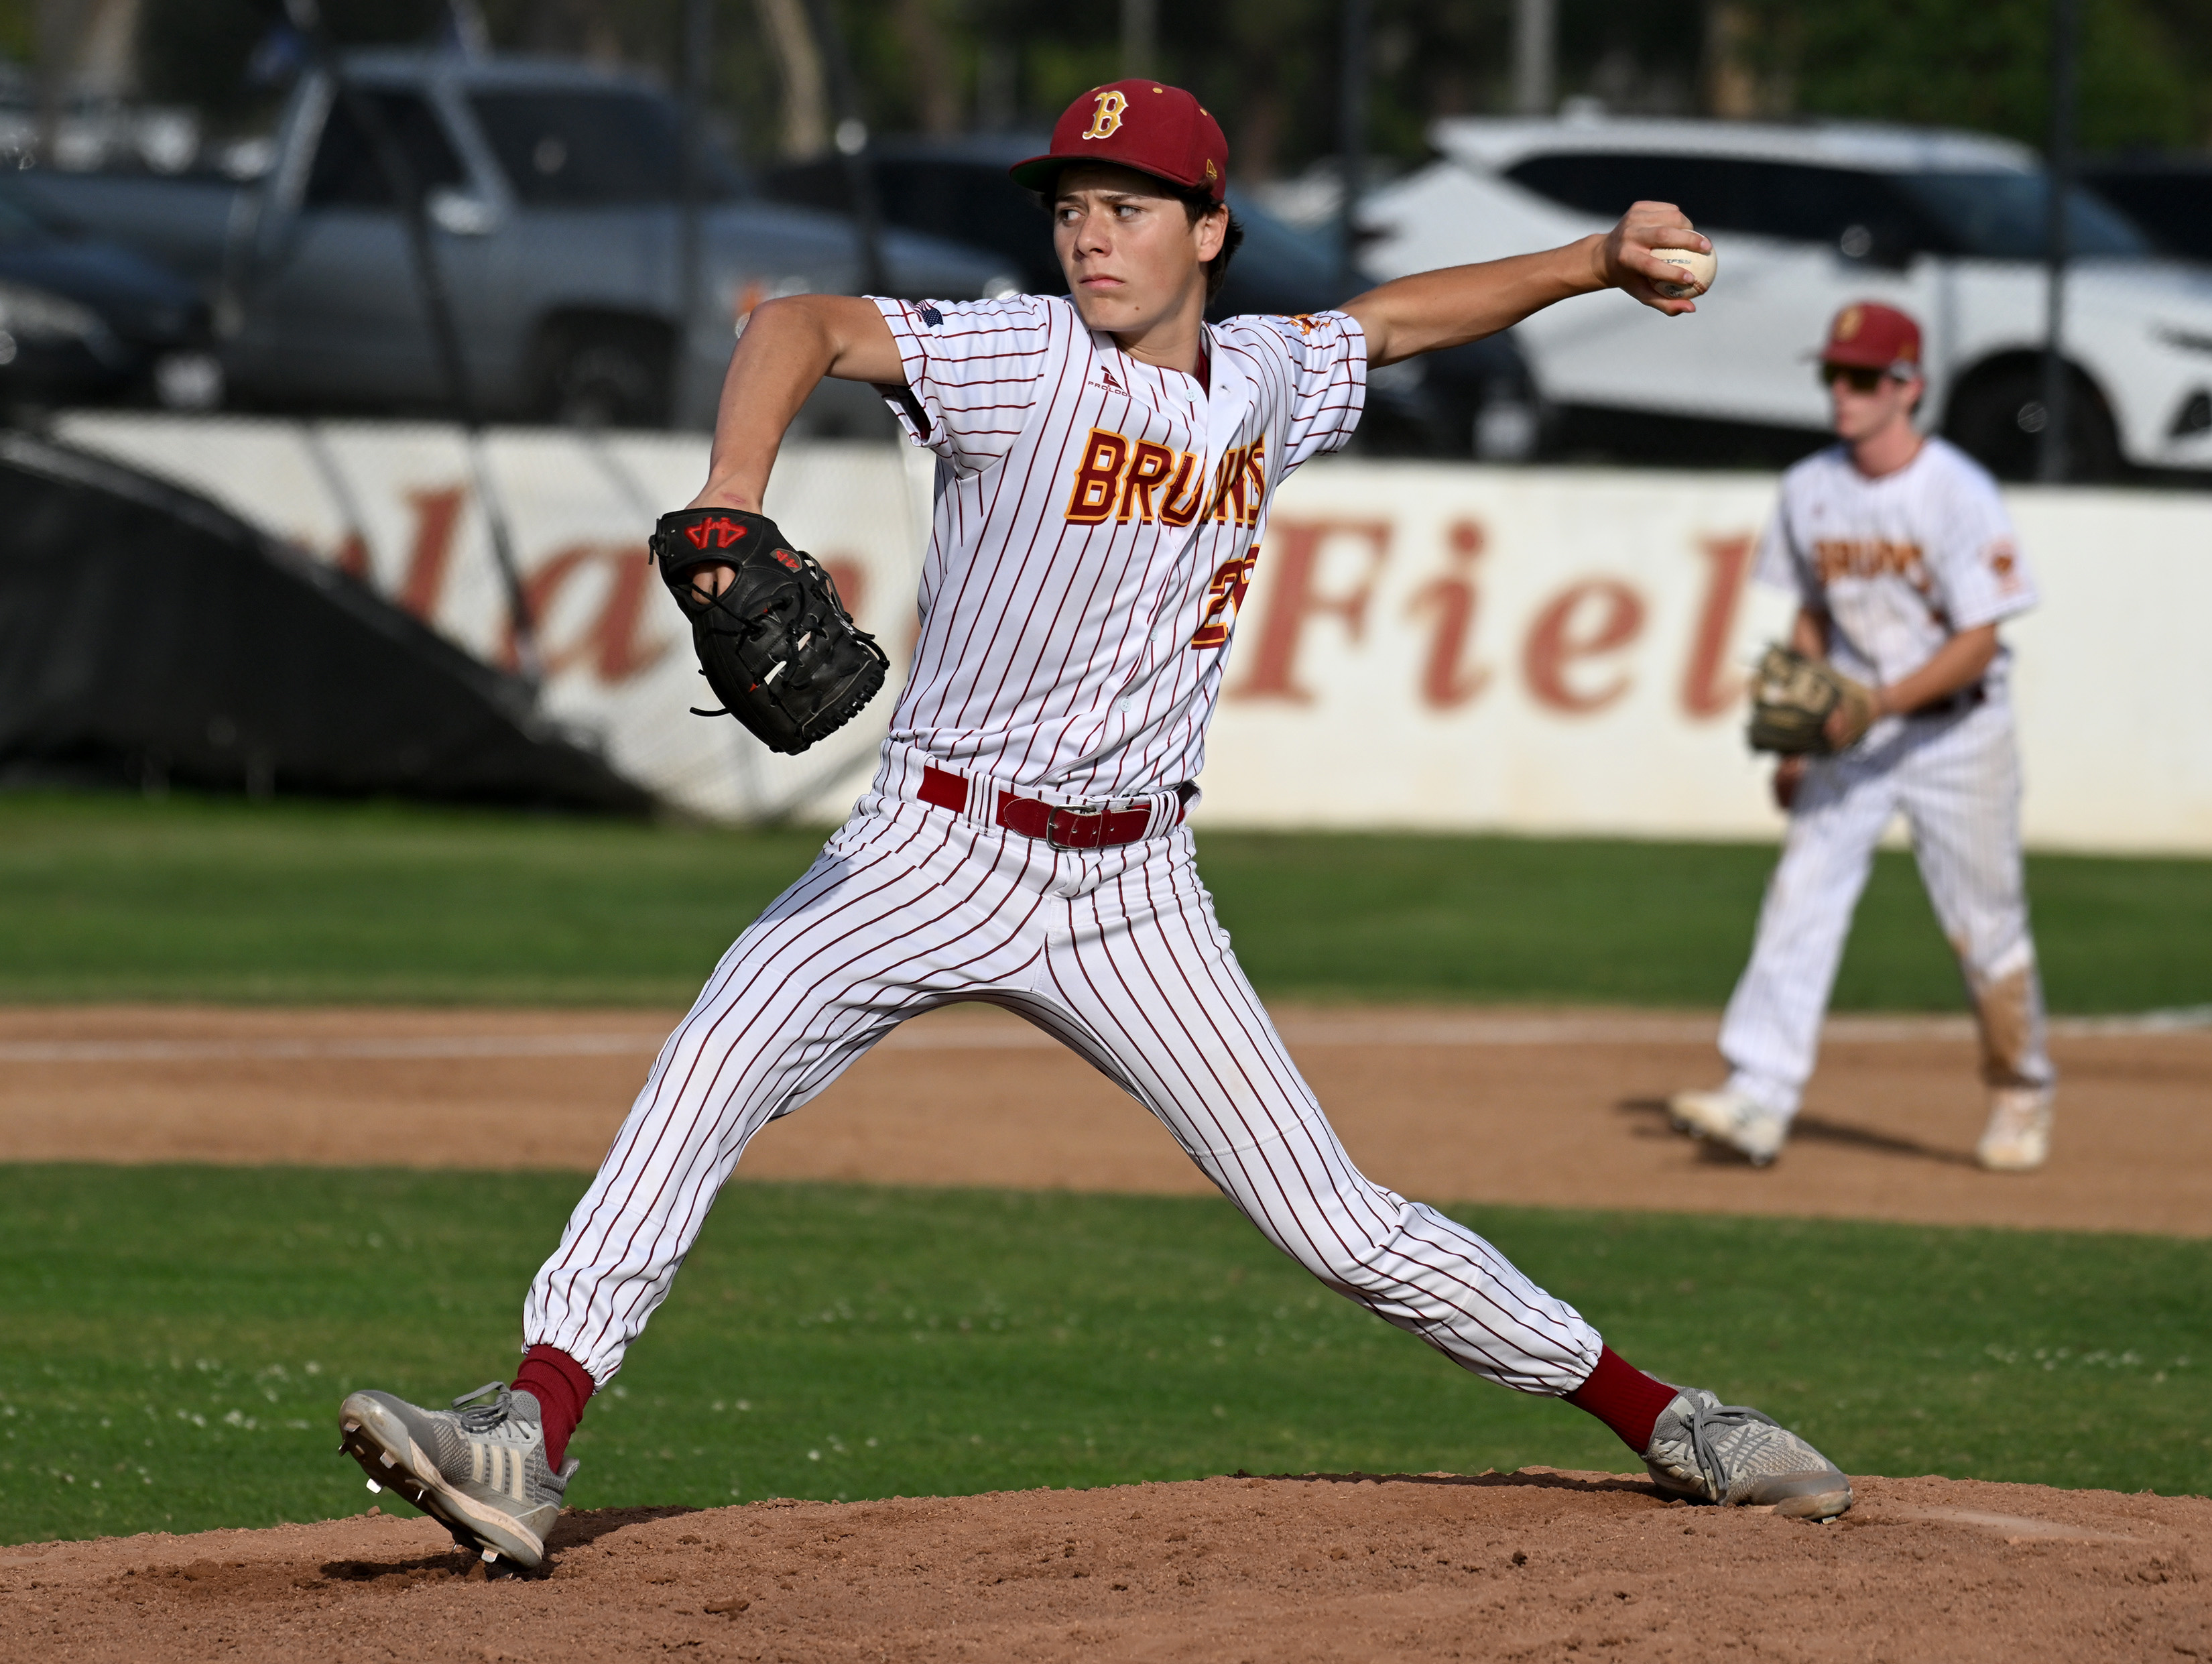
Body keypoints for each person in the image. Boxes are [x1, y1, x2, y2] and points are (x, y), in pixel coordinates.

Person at [333, 81, 1853, 1569]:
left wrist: (1589, 261)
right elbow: (798, 324)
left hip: (1136, 890)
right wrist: (732, 493)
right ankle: (529, 1426)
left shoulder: (1261, 379)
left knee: (1336, 1221)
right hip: (930, 849)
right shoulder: (1022, 355)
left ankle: (1665, 1415)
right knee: (709, 1069)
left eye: (1127, 208)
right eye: (1071, 207)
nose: (1089, 236)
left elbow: (1391, 323)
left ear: (1211, 229)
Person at [1670, 302, 2055, 1173]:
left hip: (1958, 733)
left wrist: (1876, 704)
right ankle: (1758, 1096)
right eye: (1833, 374)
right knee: (1800, 897)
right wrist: (1803, 739)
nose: (1842, 392)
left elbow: (1979, 640)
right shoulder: (1810, 487)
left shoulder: (1957, 491)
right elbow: (1812, 617)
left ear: (1908, 386)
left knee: (1984, 925)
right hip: (1852, 731)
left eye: (1863, 377)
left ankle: (2021, 1089)